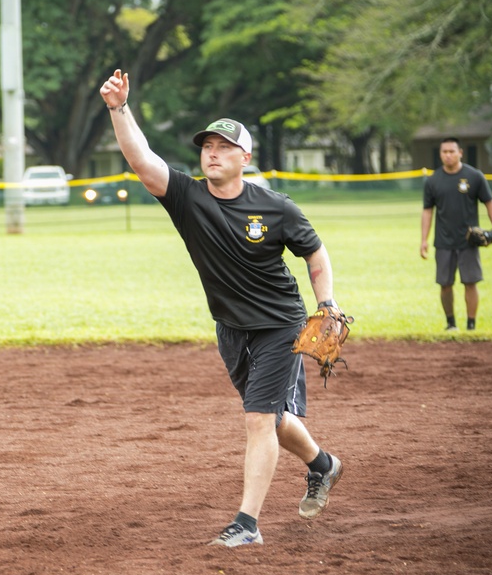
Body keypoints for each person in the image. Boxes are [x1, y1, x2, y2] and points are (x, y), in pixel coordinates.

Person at [99, 69, 344, 548]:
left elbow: (314, 252)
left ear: (244, 158)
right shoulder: (187, 198)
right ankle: (323, 465)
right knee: (271, 418)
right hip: (231, 328)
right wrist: (118, 108)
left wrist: (327, 303)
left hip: (280, 324)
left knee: (257, 419)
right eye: (207, 146)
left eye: (223, 146)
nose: (212, 152)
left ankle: (247, 525)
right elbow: (140, 157)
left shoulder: (276, 207)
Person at [420, 137, 492, 331]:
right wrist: (424, 239)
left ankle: (471, 325)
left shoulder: (474, 176)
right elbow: (427, 211)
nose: (448, 155)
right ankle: (451, 324)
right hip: (443, 241)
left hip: (468, 241)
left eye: (451, 151)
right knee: (445, 284)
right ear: (440, 154)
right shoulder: (433, 180)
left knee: (470, 283)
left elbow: (489, 202)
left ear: (460, 153)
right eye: (444, 152)